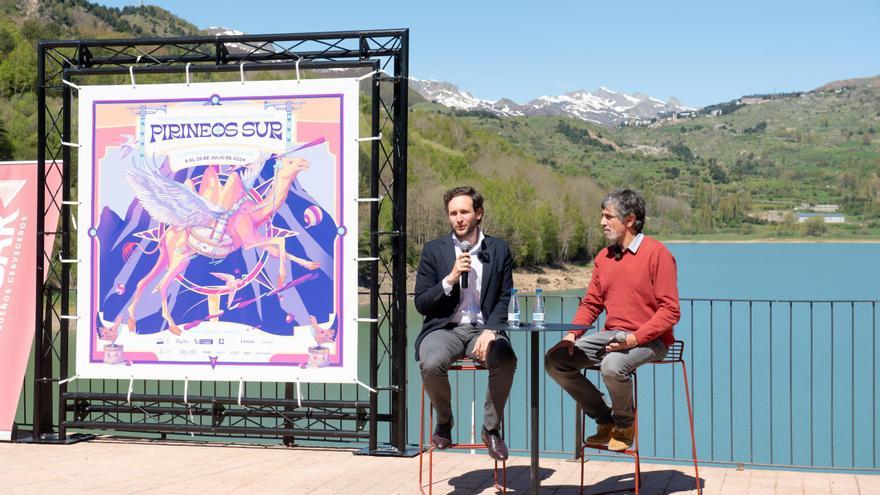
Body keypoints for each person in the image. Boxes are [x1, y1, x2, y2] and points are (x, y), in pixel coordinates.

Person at [545, 189, 680, 451]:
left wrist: (634, 338)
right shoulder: (604, 257)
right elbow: (592, 303)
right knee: (555, 360)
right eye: (602, 216)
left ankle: (625, 424)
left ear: (629, 220)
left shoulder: (657, 254)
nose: (602, 222)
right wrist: (571, 335)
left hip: (651, 339)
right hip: (612, 336)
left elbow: (670, 311)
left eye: (608, 217)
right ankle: (604, 420)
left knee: (612, 364)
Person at [414, 186, 517, 461]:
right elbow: (421, 303)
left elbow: (505, 296)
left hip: (483, 329)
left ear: (478, 214)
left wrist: (491, 330)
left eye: (464, 212)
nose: (458, 218)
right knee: (432, 362)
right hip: (444, 329)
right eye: (453, 213)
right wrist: (449, 279)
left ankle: (491, 429)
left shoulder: (498, 249)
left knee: (505, 358)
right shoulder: (434, 250)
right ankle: (444, 421)